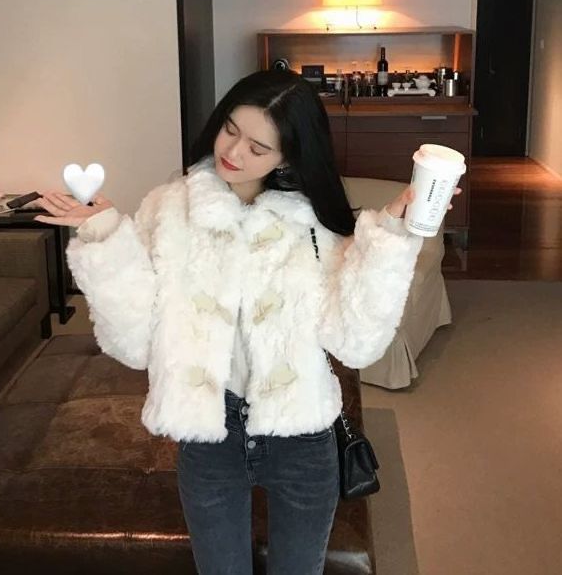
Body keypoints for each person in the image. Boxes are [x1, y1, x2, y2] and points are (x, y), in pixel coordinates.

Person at [34, 69, 462, 574]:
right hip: (209, 437)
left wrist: (391, 235)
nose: (234, 152)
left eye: (258, 147)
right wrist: (105, 236)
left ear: (289, 157)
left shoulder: (312, 225)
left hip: (302, 440)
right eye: (230, 129)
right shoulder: (169, 209)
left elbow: (357, 343)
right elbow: (133, 342)